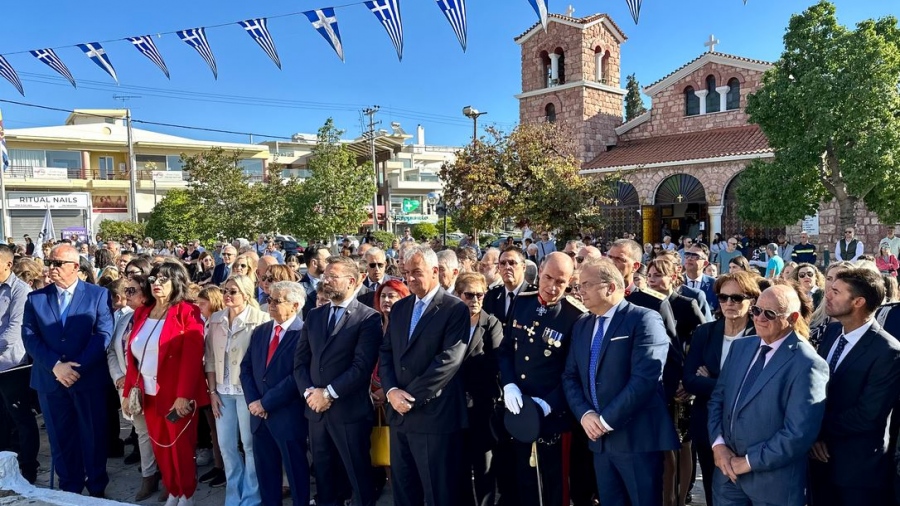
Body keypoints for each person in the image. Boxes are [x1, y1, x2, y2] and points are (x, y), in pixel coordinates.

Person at [562, 256, 679, 506]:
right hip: (599, 442)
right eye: (578, 285)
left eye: (586, 285)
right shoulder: (582, 324)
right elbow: (570, 376)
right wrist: (585, 415)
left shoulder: (644, 319)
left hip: (636, 439)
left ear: (611, 287)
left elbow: (645, 379)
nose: (580, 291)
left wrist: (605, 421)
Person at [707, 284, 829, 506]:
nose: (759, 318)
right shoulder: (740, 347)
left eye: (770, 314)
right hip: (727, 477)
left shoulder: (808, 364)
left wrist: (748, 462)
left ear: (792, 318)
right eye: (756, 310)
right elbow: (718, 400)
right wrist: (718, 446)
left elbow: (798, 433)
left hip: (774, 485)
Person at [379, 245, 470, 506]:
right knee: (404, 491)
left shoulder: (454, 309)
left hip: (434, 417)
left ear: (435, 271)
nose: (410, 278)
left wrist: (409, 398)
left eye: (416, 272)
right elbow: (386, 352)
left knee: (438, 493)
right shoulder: (400, 308)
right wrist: (391, 392)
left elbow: (448, 361)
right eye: (406, 272)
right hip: (400, 417)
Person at [496, 252, 587, 506]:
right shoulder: (523, 301)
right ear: (539, 272)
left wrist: (548, 404)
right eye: (547, 278)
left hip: (553, 417)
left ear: (570, 282)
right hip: (520, 410)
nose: (552, 287)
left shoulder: (575, 315)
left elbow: (574, 372)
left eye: (560, 281)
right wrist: (509, 384)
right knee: (524, 481)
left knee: (553, 484)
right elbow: (506, 350)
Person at [22, 244, 114, 497]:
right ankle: (69, 490)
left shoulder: (97, 295)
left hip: (87, 379)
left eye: (57, 263)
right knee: (61, 439)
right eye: (49, 263)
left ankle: (97, 489)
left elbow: (103, 334)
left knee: (93, 436)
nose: (51, 268)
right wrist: (56, 366)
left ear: (75, 266)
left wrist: (76, 368)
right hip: (50, 381)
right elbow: (30, 337)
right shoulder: (36, 298)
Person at [294, 256, 382, 506]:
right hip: (316, 412)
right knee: (324, 477)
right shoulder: (314, 316)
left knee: (357, 476)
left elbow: (361, 367)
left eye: (333, 276)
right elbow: (300, 362)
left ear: (351, 281)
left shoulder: (368, 318)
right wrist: (310, 394)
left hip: (348, 412)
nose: (326, 280)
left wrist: (328, 394)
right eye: (326, 276)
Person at [808, 268, 900, 505]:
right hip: (819, 464)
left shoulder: (888, 352)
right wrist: (814, 436)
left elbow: (868, 415)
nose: (827, 295)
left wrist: (816, 429)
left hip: (858, 474)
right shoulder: (831, 333)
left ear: (858, 302)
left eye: (836, 292)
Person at [123, 260, 209, 506]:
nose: (156, 284)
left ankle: (187, 494)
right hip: (148, 394)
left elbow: (192, 358)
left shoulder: (187, 311)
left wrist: (184, 395)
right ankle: (173, 490)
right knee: (160, 446)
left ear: (177, 283)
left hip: (175, 395)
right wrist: (129, 392)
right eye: (153, 279)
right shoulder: (142, 312)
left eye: (163, 279)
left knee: (180, 447)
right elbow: (133, 357)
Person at [682, 271, 759, 505]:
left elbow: (759, 386)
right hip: (708, 424)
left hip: (749, 430)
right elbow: (690, 380)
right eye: (723, 297)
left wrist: (713, 380)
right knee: (712, 490)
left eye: (737, 298)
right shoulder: (705, 332)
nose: (729, 303)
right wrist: (733, 384)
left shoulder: (760, 334)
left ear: (752, 300)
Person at [240, 281, 309, 505]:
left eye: (276, 301)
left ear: (295, 305)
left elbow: (296, 376)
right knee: (266, 474)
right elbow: (246, 368)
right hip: (259, 416)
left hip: (287, 415)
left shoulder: (304, 333)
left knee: (296, 472)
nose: (270, 304)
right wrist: (254, 402)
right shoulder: (261, 331)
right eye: (269, 299)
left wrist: (266, 403)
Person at [204, 275, 270, 506]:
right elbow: (210, 358)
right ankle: (233, 494)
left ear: (246, 294)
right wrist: (212, 392)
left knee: (249, 444)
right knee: (226, 445)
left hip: (247, 392)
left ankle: (252, 496)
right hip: (222, 391)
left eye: (233, 291)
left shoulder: (261, 319)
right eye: (225, 290)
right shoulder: (216, 319)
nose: (227, 295)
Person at [647, 257, 705, 506]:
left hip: (682, 388)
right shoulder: (646, 303)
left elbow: (701, 342)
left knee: (683, 445)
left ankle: (681, 498)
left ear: (673, 277)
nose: (652, 280)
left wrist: (689, 380)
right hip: (657, 385)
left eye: (659, 275)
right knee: (663, 448)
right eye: (650, 275)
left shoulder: (686, 304)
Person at [106, 275, 161, 501]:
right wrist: (119, 376)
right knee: (142, 433)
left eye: (131, 291)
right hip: (130, 388)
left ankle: (171, 478)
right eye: (126, 290)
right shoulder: (123, 319)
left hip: (154, 385)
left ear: (145, 294)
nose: (126, 295)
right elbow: (112, 350)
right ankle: (149, 476)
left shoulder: (157, 317)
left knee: (162, 434)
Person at [454, 272, 504, 506]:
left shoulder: (491, 323)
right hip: (454, 405)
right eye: (469, 295)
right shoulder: (451, 322)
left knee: (484, 466)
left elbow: (495, 361)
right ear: (458, 295)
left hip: (482, 406)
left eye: (480, 295)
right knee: (460, 466)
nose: (475, 300)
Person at [0, 244, 37, 484]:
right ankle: (4, 466)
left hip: (12, 365)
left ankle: (28, 468)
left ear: (8, 264)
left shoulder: (20, 291)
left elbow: (13, 332)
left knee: (21, 418)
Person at [483, 247, 535, 326]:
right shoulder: (491, 295)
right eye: (503, 263)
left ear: (523, 267)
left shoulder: (534, 296)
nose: (507, 267)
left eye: (512, 263)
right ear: (498, 268)